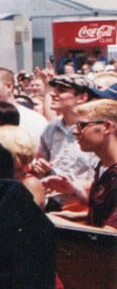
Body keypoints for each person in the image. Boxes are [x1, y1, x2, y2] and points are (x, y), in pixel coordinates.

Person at [42, 99, 117, 231]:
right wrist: (75, 214)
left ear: (107, 127)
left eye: (82, 125)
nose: (75, 132)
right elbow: (106, 211)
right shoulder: (103, 165)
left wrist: (55, 222)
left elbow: (110, 236)